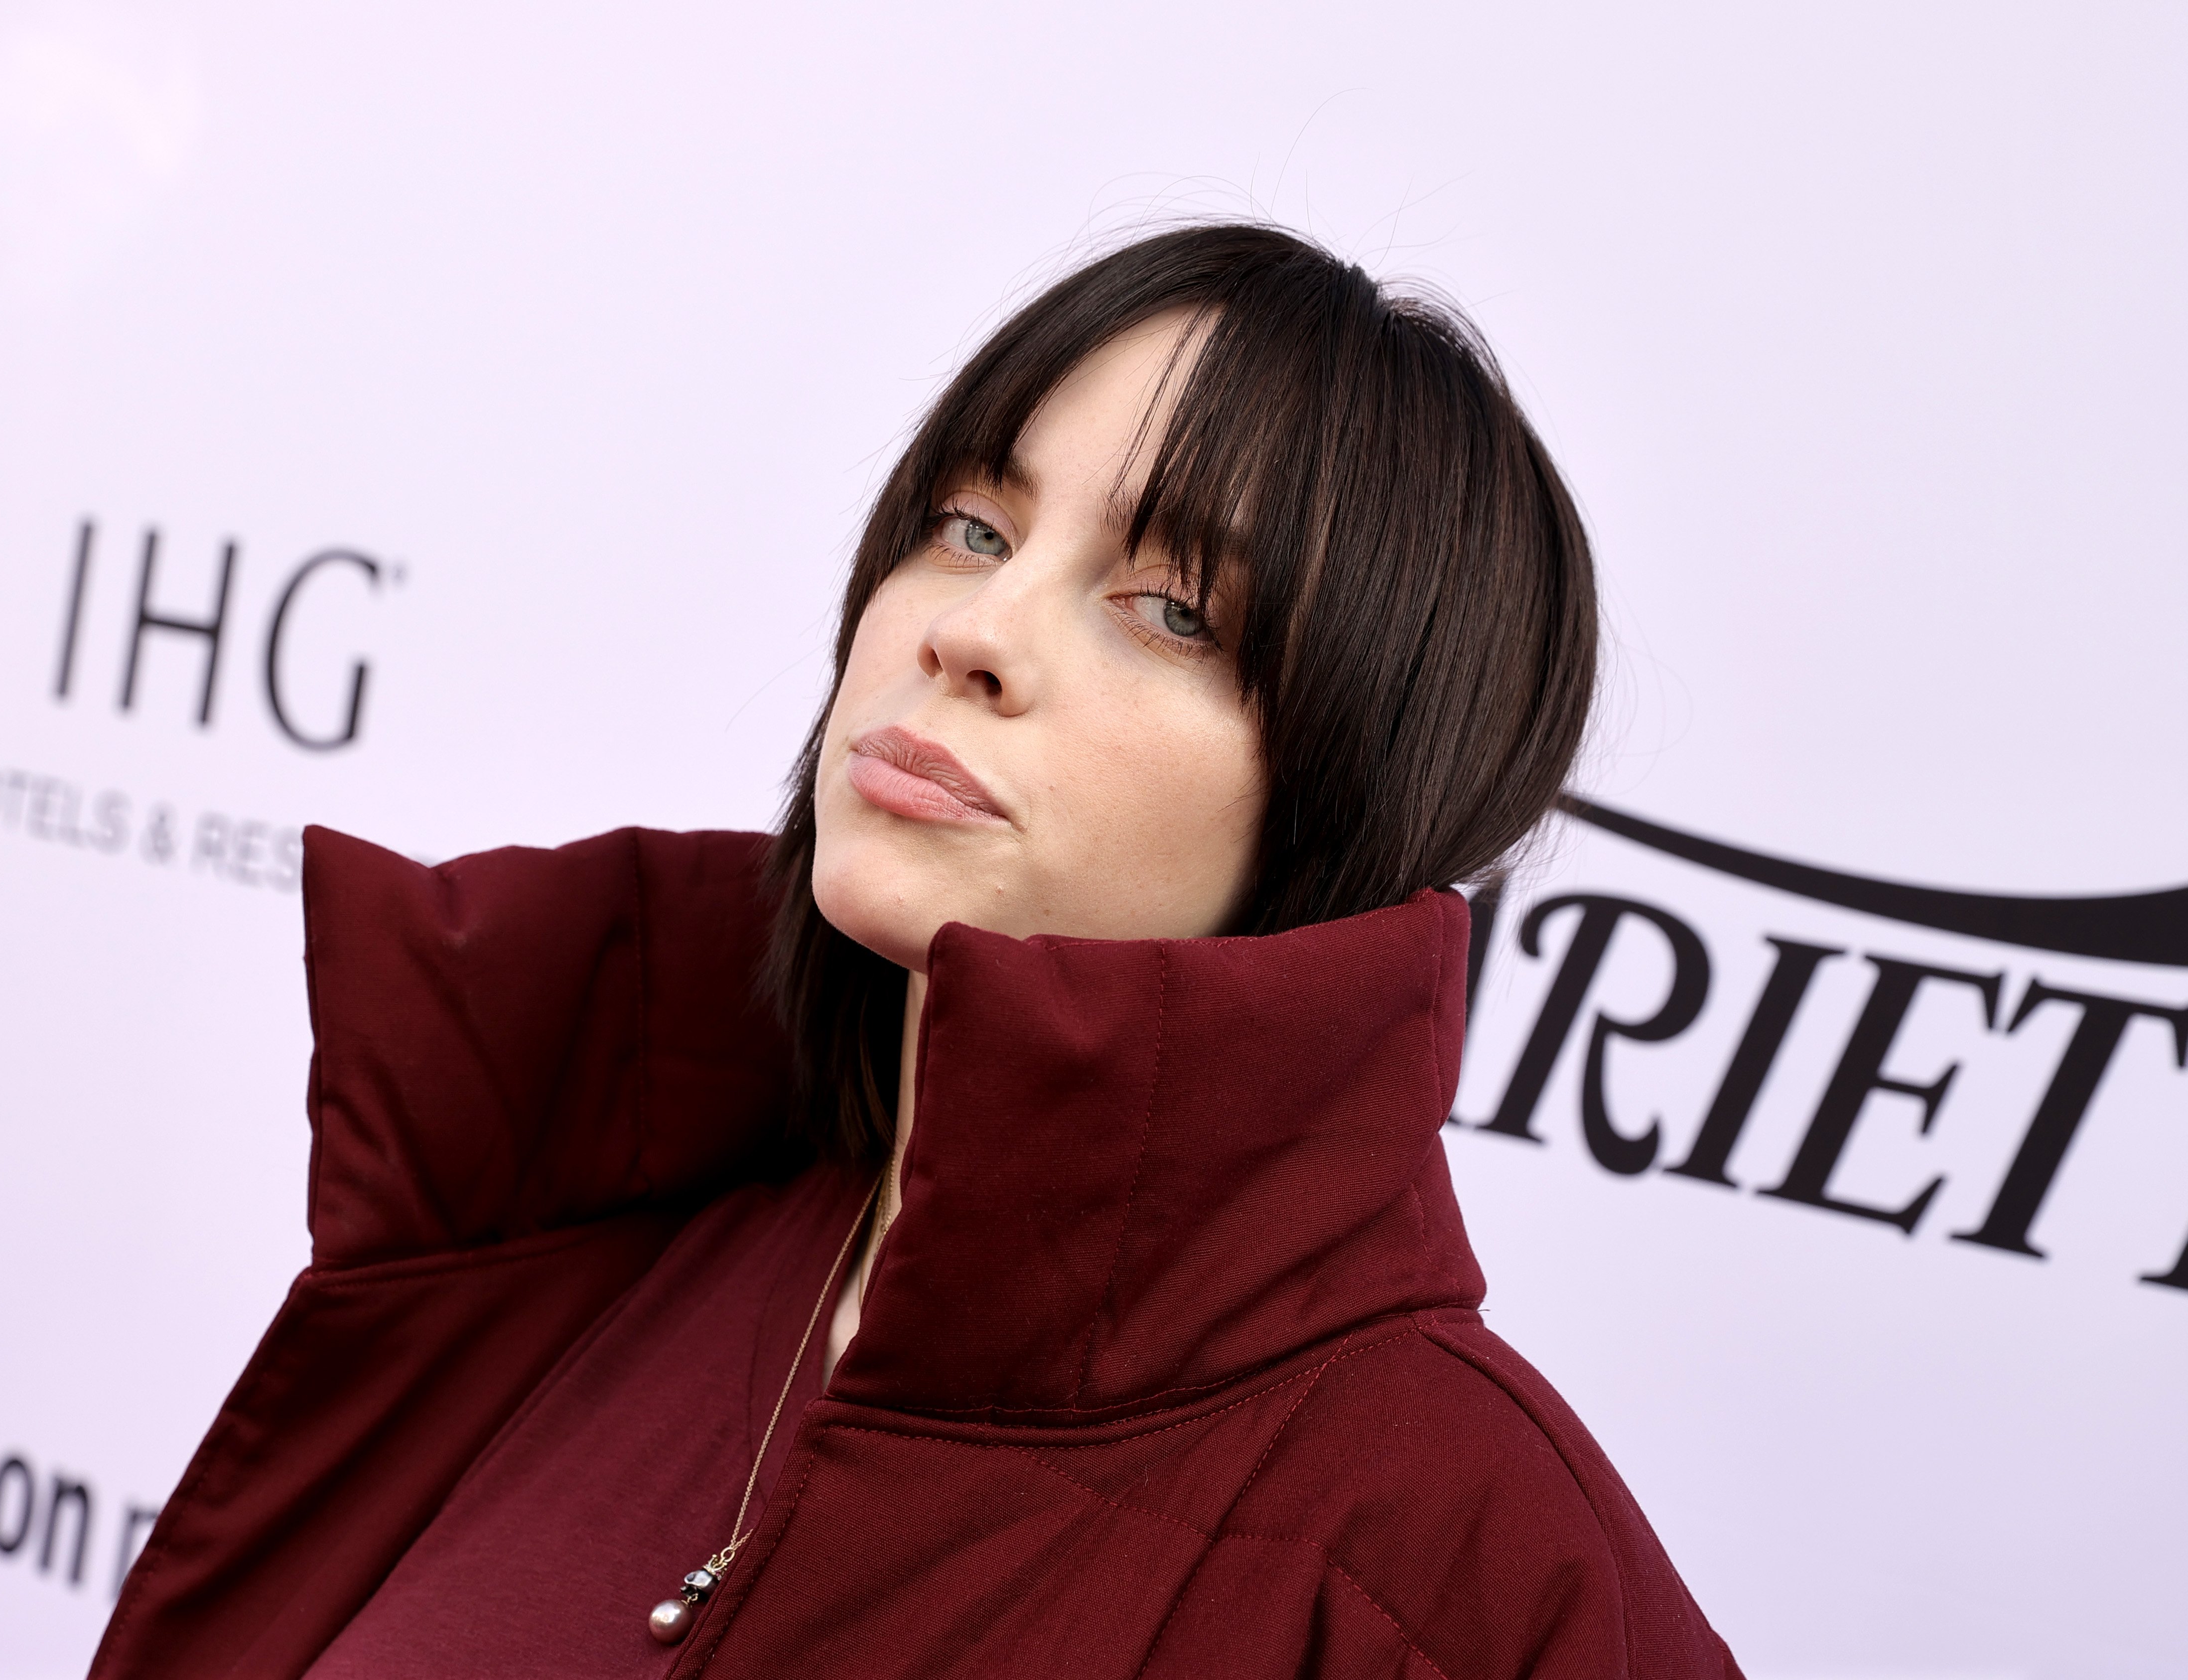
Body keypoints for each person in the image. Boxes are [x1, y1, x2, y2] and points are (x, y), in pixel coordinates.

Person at [90, 223, 1742, 1679]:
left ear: (1354, 796)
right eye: (970, 523)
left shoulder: (1481, 1576)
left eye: (1174, 610)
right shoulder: (600, 1200)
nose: (975, 629)